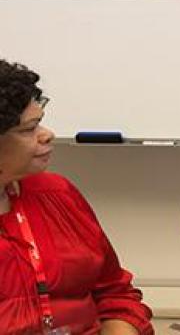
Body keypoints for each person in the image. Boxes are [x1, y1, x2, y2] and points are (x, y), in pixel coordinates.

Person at [0, 60, 153, 335]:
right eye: (28, 129)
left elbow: (116, 295)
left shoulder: (57, 193)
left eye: (41, 123)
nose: (47, 135)